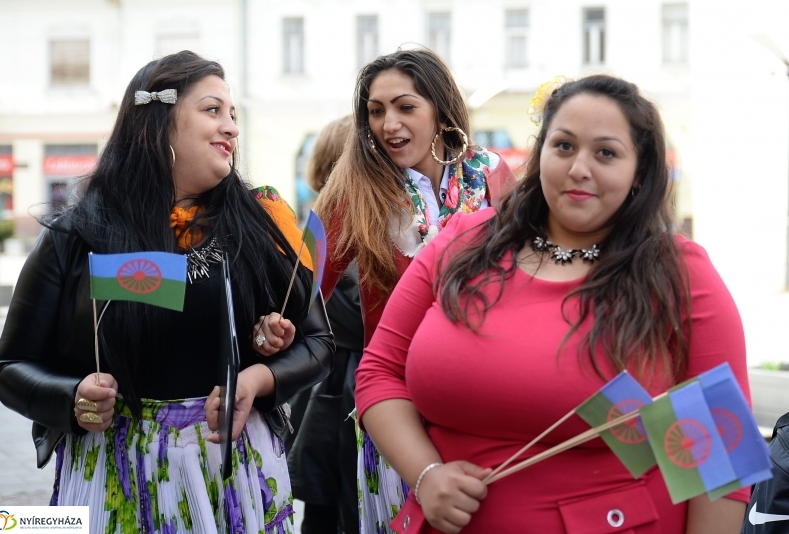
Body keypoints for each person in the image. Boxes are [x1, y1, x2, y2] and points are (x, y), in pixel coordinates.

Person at [355, 74, 751, 534]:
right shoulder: (462, 242)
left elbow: (720, 459)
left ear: (640, 171)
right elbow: (379, 371)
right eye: (563, 146)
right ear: (541, 151)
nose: (579, 168)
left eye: (606, 152)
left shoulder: (680, 275)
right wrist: (425, 475)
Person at [0, 50, 334, 533]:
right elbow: (10, 368)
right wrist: (73, 398)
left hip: (232, 473)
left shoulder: (261, 224)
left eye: (233, 114)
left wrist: (258, 379)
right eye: (213, 110)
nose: (232, 127)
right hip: (114, 479)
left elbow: (319, 344)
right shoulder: (78, 234)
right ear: (158, 124)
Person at [314, 48, 518, 532]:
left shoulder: (491, 173)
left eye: (406, 107)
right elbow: (297, 286)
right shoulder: (352, 189)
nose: (389, 123)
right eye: (377, 110)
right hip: (398, 408)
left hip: (487, 402)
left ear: (441, 111)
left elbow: (527, 274)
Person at [288, 116, 362, 534]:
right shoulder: (326, 232)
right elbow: (344, 316)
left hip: (332, 390)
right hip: (338, 391)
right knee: (335, 509)